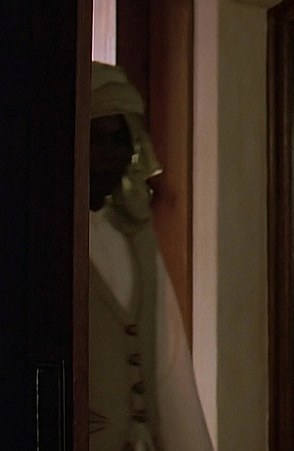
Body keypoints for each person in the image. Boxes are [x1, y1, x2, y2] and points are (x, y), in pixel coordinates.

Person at [88, 61, 212, 450]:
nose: (113, 153)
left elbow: (169, 364)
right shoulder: (42, 245)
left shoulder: (136, 237)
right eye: (100, 139)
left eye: (121, 139)